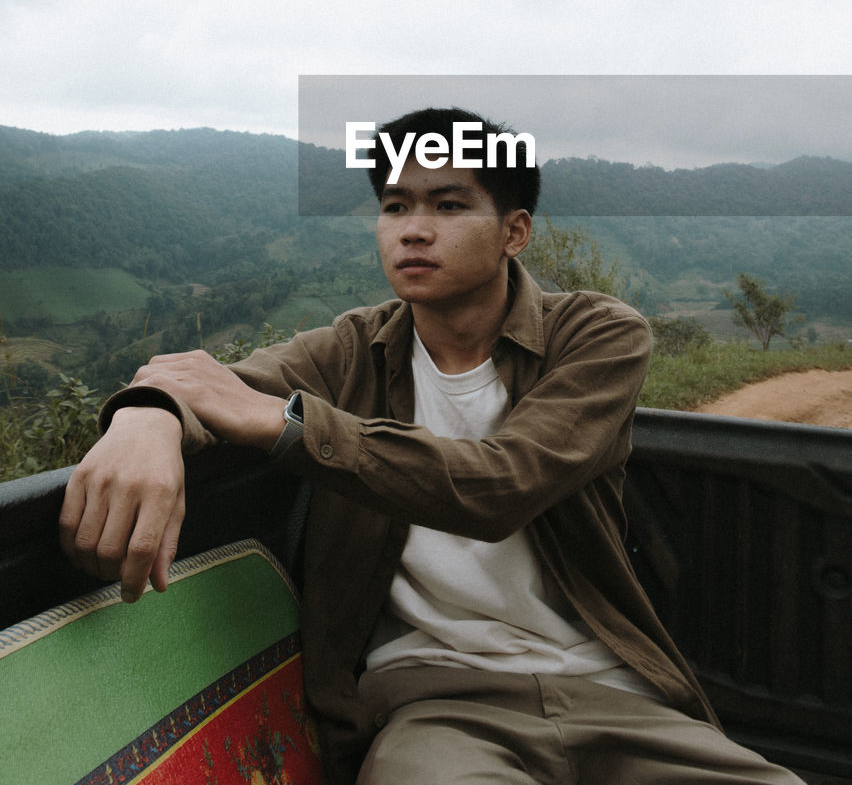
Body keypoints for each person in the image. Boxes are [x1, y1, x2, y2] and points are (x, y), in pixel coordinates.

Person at [60, 107, 804, 785]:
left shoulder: (597, 334)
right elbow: (205, 386)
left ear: (514, 231)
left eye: (448, 205)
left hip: (610, 686)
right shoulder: (351, 348)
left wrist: (289, 425)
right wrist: (146, 419)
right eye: (394, 207)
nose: (413, 230)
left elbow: (500, 487)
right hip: (435, 699)